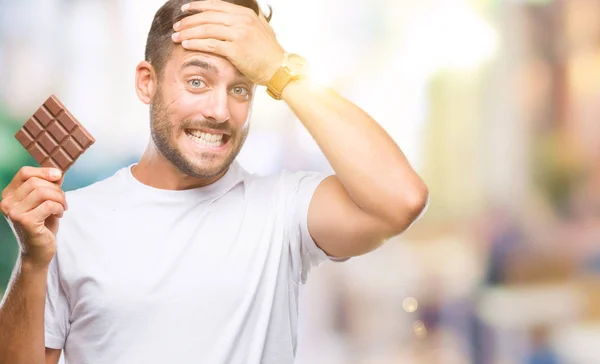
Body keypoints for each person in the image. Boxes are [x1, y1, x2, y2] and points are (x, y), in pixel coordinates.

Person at [0, 0, 429, 363]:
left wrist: (281, 70)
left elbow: (402, 199)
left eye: (241, 89)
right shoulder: (72, 220)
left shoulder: (283, 212)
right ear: (146, 82)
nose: (219, 111)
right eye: (197, 81)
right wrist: (33, 263)